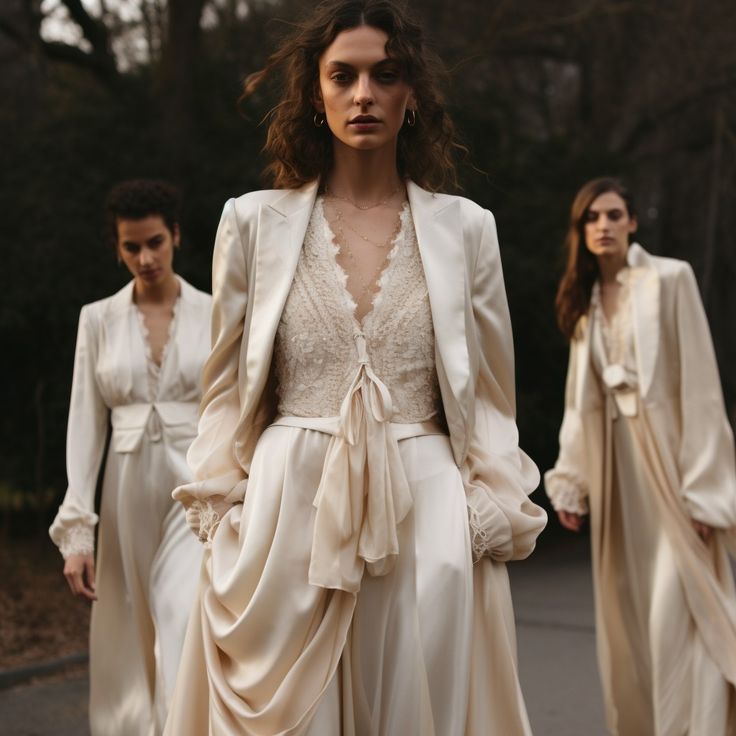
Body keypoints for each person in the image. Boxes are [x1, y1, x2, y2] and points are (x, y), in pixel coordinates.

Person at [165, 2, 547, 734]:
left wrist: (486, 509)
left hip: (428, 512)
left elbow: (493, 396)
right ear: (315, 92)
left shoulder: (467, 230)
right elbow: (224, 391)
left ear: (413, 95)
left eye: (386, 74)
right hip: (285, 512)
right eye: (343, 75)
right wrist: (225, 512)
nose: (364, 93)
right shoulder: (251, 223)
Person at [545, 176, 736, 735]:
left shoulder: (670, 280)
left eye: (613, 215)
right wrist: (572, 482)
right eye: (591, 219)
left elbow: (701, 387)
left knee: (678, 607)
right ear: (581, 232)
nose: (603, 226)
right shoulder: (583, 305)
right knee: (629, 616)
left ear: (633, 222)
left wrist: (705, 490)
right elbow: (579, 405)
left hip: (670, 465)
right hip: (614, 468)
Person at [49, 179, 212, 736]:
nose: (145, 258)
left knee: (183, 613)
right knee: (126, 630)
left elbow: (234, 415)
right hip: (124, 496)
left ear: (176, 237)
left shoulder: (216, 314)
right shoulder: (97, 320)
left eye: (155, 243)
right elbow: (83, 426)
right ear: (117, 248)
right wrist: (78, 530)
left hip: (195, 494)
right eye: (131, 247)